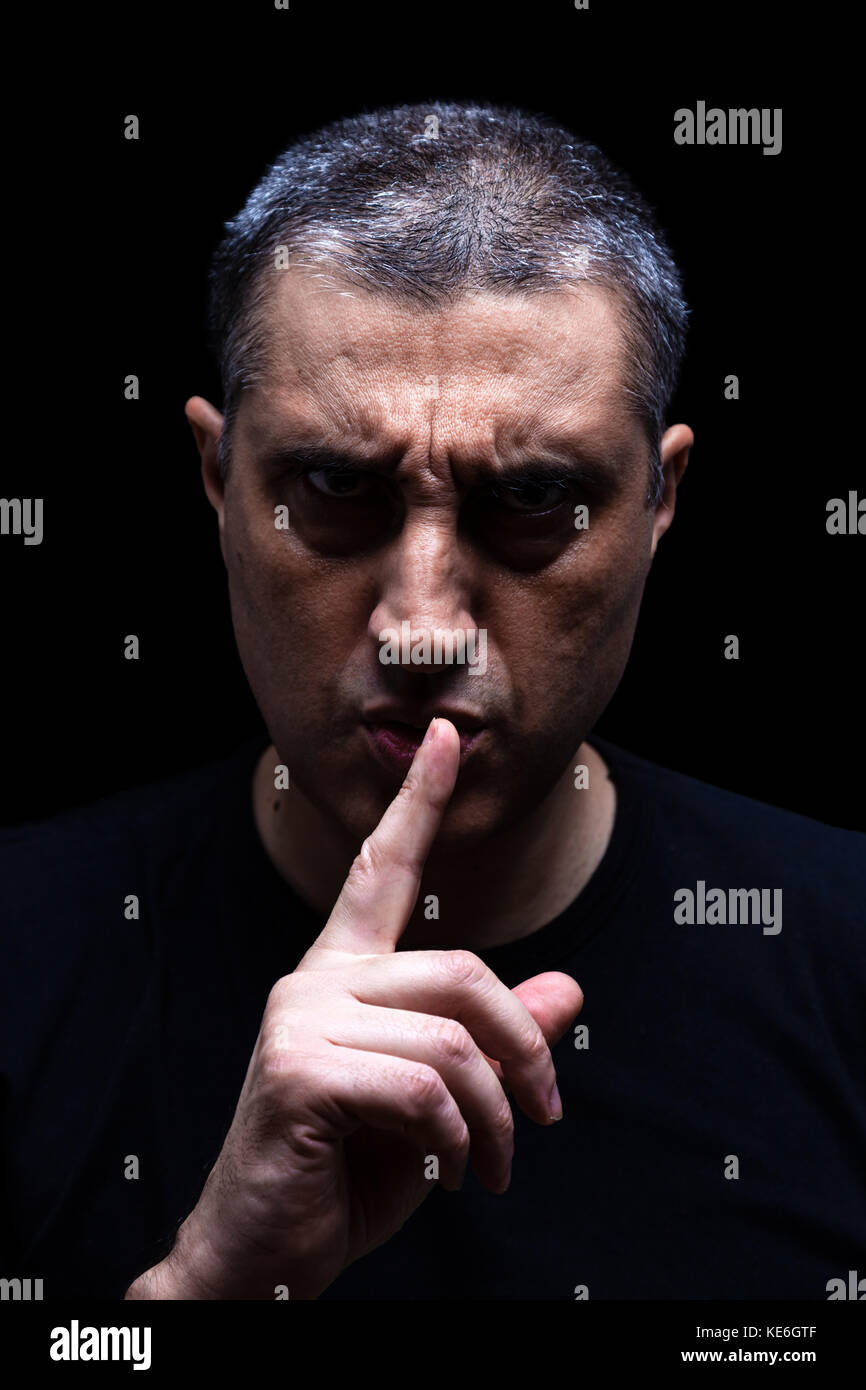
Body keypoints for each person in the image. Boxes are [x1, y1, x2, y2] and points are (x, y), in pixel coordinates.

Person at [2, 102, 864, 1302]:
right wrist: (208, 1288)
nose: (418, 625)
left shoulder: (842, 954)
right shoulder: (19, 958)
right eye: (334, 486)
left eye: (530, 499)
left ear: (658, 504)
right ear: (214, 475)